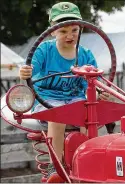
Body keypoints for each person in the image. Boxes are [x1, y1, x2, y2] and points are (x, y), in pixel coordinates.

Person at [19, 2, 112, 182]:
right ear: (52, 31)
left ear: (80, 30)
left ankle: (87, 163)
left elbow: (96, 83)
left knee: (88, 115)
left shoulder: (85, 55)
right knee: (59, 115)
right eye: (63, 31)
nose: (70, 35)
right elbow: (29, 69)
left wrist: (101, 92)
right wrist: (24, 72)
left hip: (75, 100)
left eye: (74, 30)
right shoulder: (44, 51)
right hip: (46, 101)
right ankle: (56, 166)